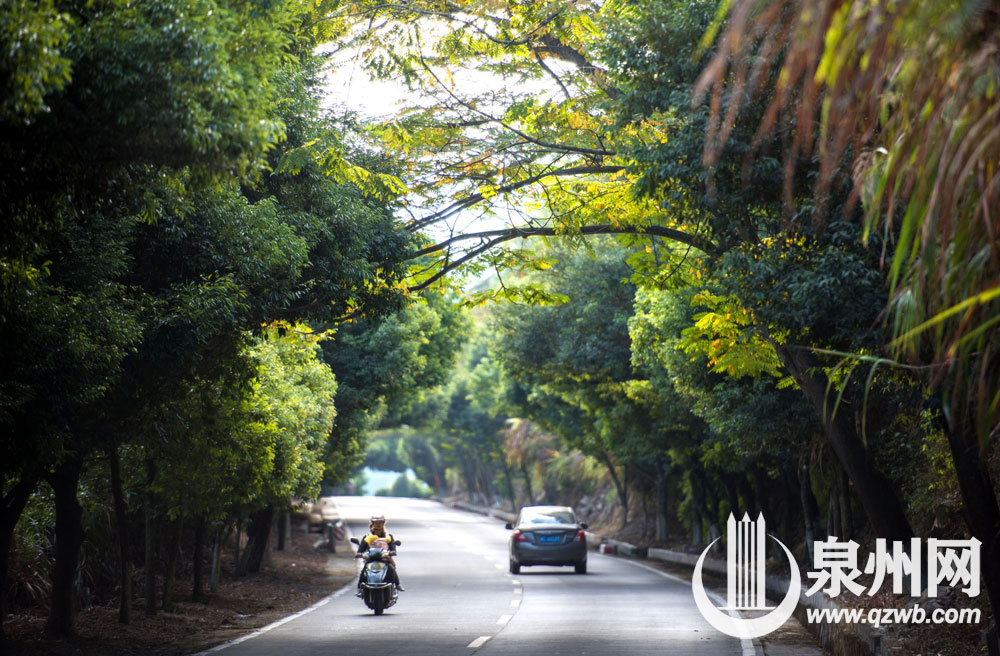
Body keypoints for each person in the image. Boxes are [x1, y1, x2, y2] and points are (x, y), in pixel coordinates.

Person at [355, 514, 404, 594]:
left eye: (381, 522)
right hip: (371, 558)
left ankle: (397, 584)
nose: (378, 524)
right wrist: (359, 553)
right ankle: (359, 588)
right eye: (376, 522)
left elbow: (392, 545)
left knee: (391, 568)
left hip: (384, 557)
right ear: (372, 523)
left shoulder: (388, 536)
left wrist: (393, 551)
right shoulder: (368, 536)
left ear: (384, 523)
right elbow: (362, 546)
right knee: (364, 570)